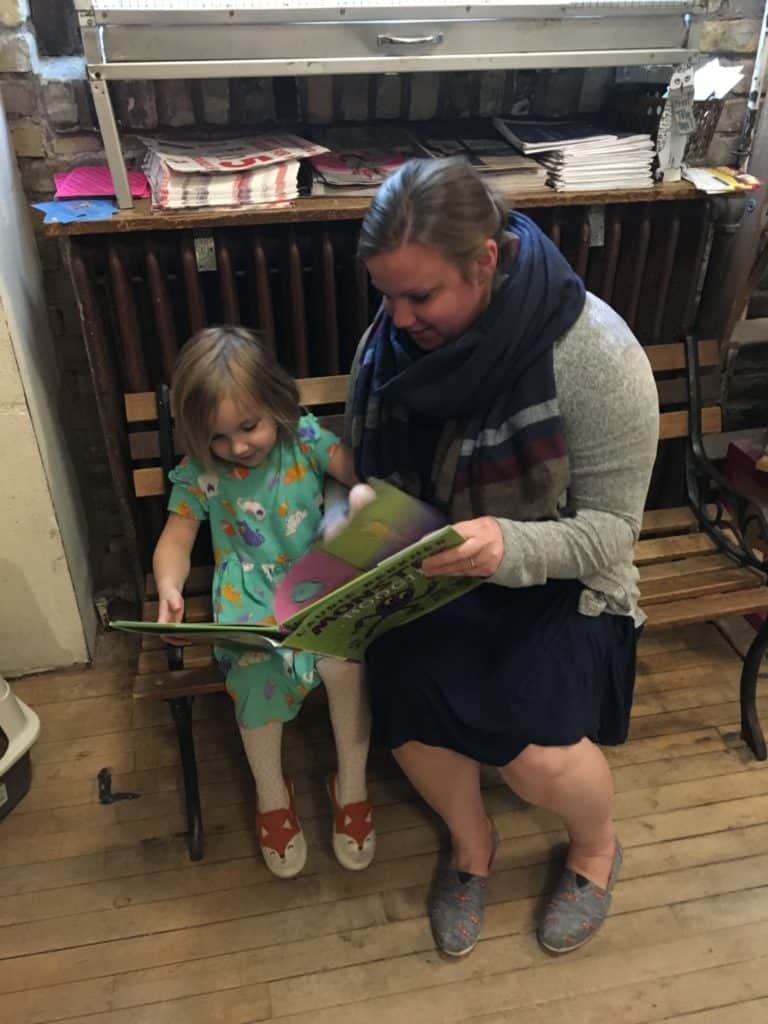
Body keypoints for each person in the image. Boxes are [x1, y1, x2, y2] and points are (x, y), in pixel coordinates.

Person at [343, 158, 659, 956]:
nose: (398, 316)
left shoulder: (594, 352)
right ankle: (470, 844)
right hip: (444, 563)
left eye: (420, 296)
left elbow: (614, 532)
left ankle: (595, 847)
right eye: (386, 293)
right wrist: (364, 512)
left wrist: (508, 543)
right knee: (411, 704)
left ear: (484, 261)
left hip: (562, 575)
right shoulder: (386, 348)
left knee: (536, 757)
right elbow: (378, 476)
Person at [152, 326, 375, 879]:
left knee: (346, 667)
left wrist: (363, 496)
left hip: (318, 581)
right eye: (217, 436)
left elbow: (358, 473)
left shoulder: (303, 440)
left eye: (248, 427)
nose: (236, 448)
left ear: (277, 403)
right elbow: (176, 539)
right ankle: (272, 797)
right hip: (248, 600)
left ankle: (352, 785)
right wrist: (170, 589)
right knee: (255, 678)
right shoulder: (203, 471)